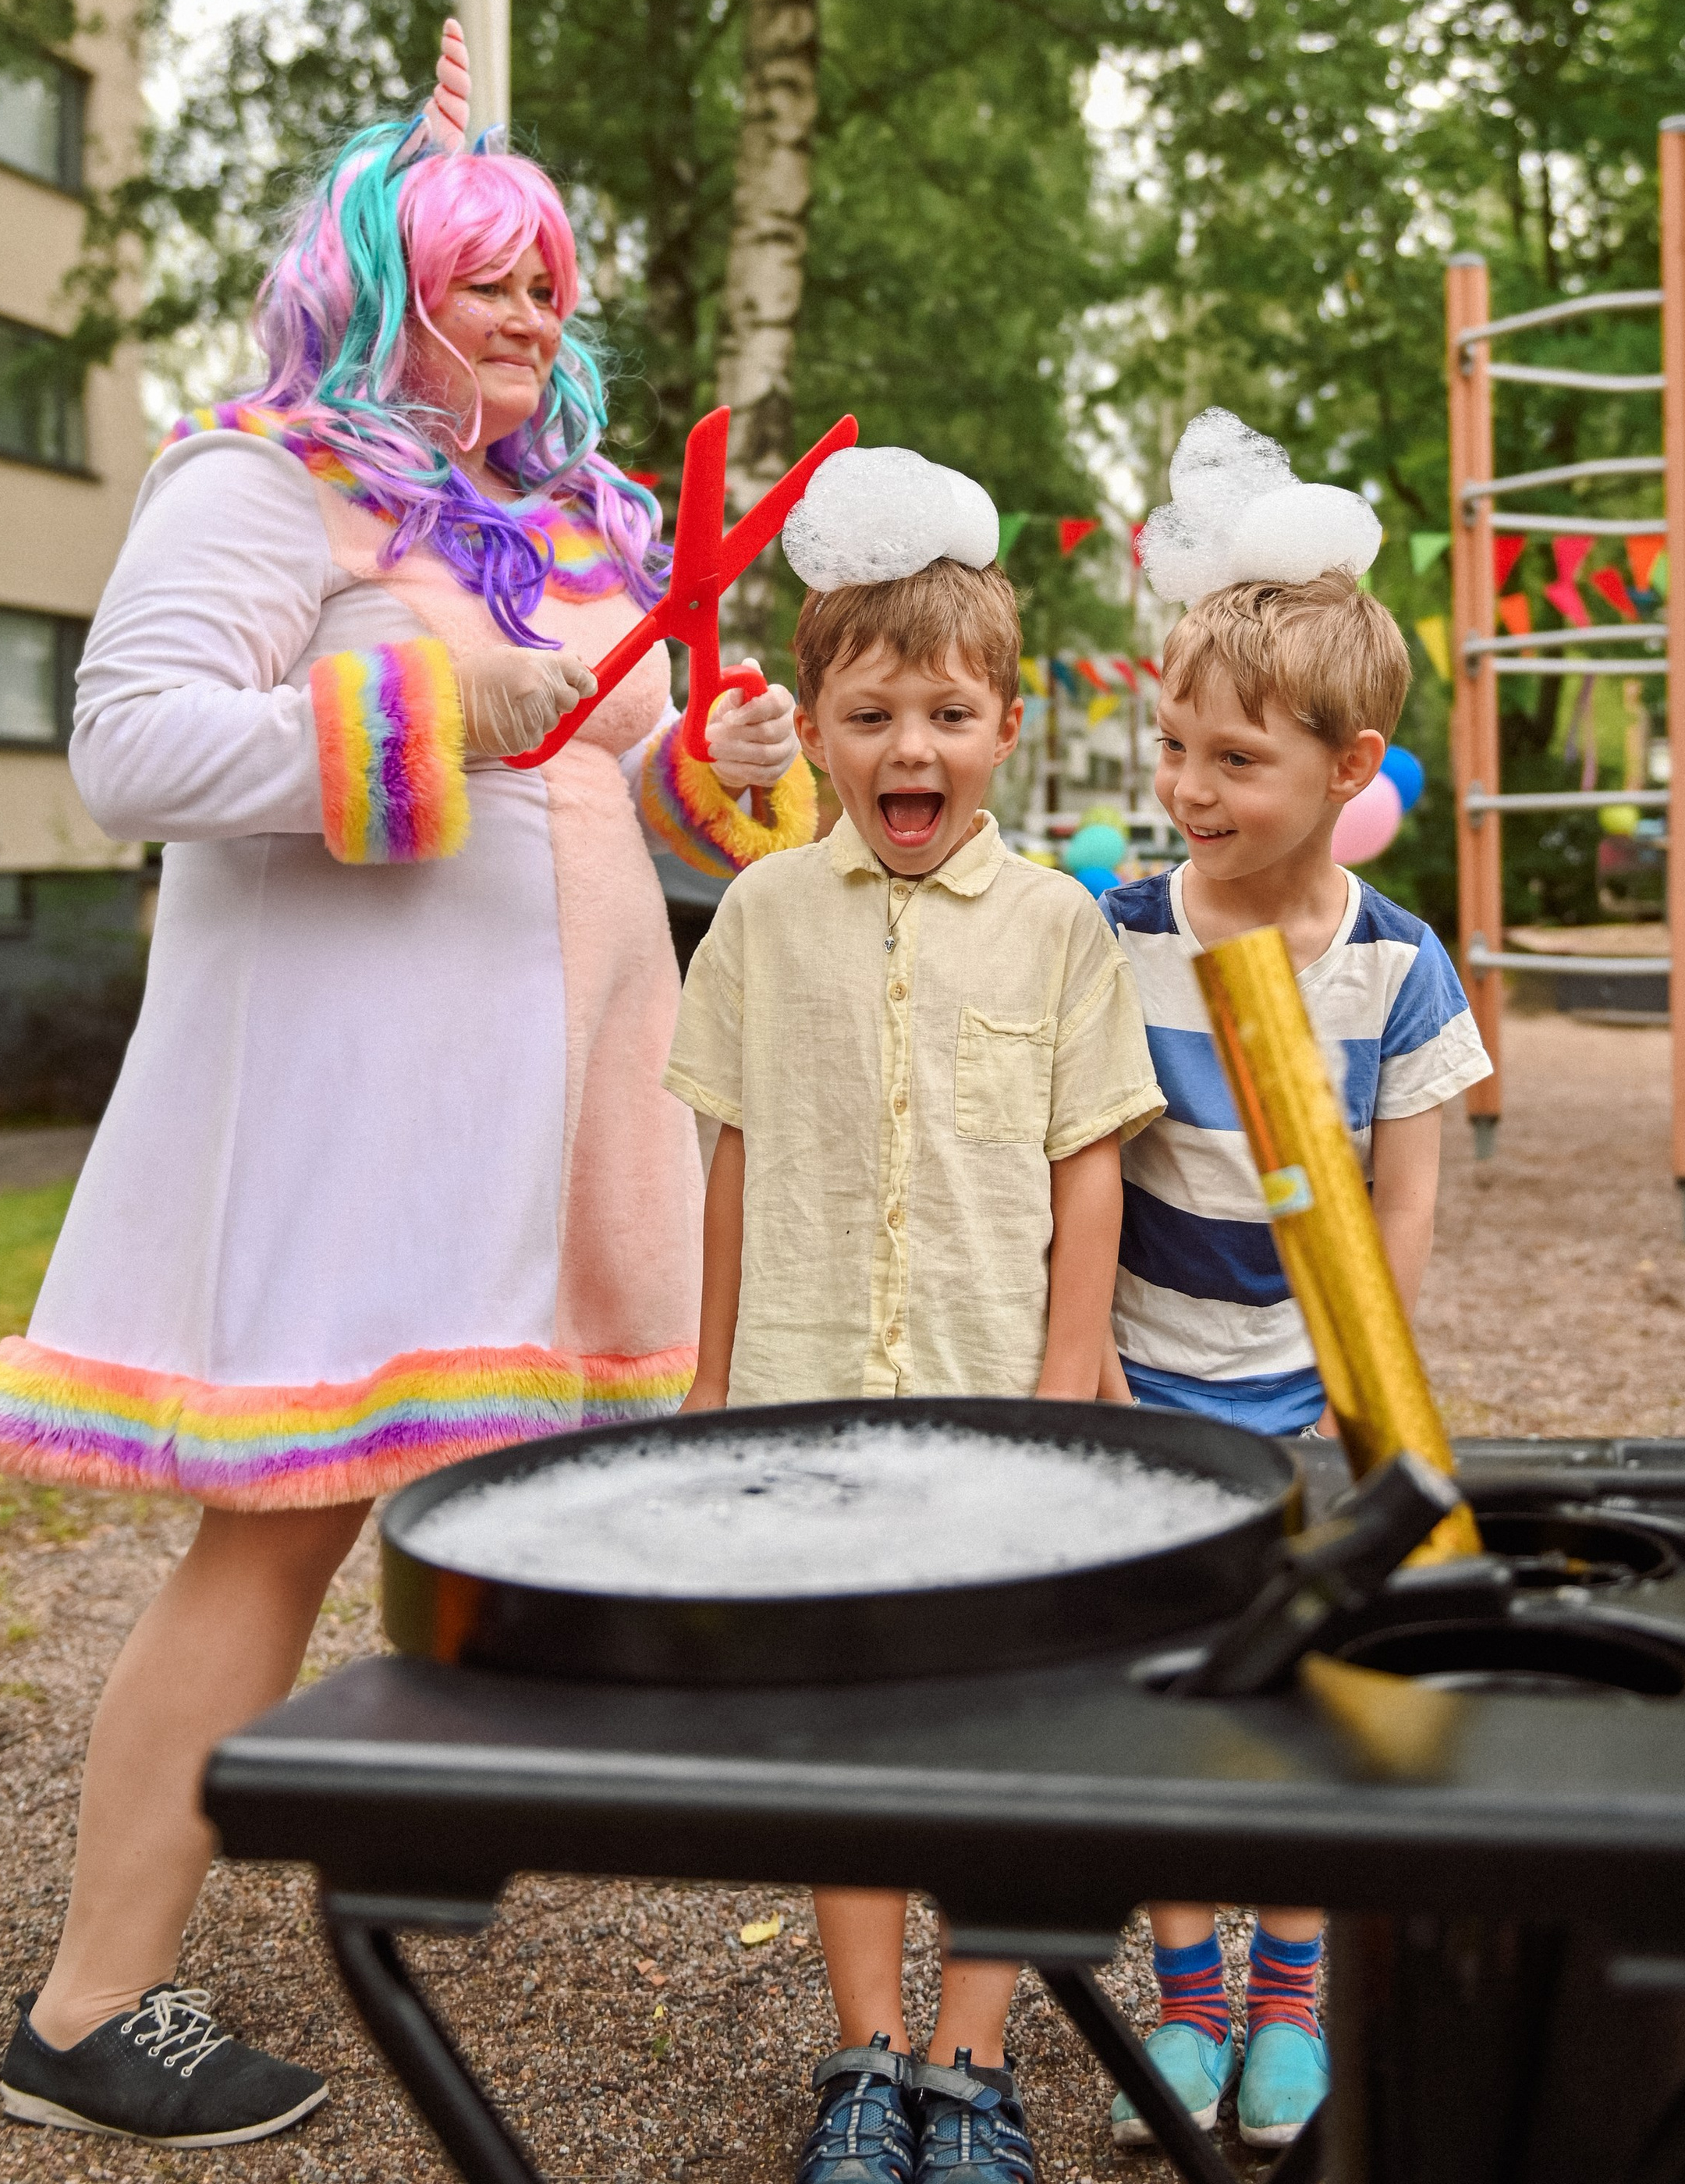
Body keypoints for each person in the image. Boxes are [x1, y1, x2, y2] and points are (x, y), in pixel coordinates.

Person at [0, 23, 814, 2149]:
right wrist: (426, 715)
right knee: (273, 1537)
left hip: (564, 1110)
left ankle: (385, 1859)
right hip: (364, 1114)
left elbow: (630, 774)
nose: (534, 306)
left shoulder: (581, 514)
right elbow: (131, 747)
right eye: (486, 270)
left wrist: (721, 765)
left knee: (492, 1502)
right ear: (379, 288)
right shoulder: (266, 478)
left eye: (549, 272)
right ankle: (86, 2010)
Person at [662, 449, 1164, 2184]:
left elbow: (1088, 1169)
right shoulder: (754, 916)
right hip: (803, 1398)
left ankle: (972, 2063)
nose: (910, 752)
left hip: (988, 1398)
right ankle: (865, 2056)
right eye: (870, 714)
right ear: (810, 724)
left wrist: (1062, 1381)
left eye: (947, 715)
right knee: (849, 1727)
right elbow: (725, 1163)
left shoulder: (1057, 926)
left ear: (1006, 728)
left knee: (1001, 1731)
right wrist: (708, 1383)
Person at [1096, 435, 1490, 2158]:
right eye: (1171, 746)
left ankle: (1288, 1991)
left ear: (1347, 768)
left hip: (1311, 1390)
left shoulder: (1395, 966)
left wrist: (1363, 1399)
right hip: (1149, 1382)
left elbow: (1402, 1208)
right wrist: (1083, 1375)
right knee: (1182, 1694)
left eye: (1232, 759)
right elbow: (1090, 1177)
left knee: (1320, 1687)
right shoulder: (1114, 936)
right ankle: (1184, 1994)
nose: (1187, 784)